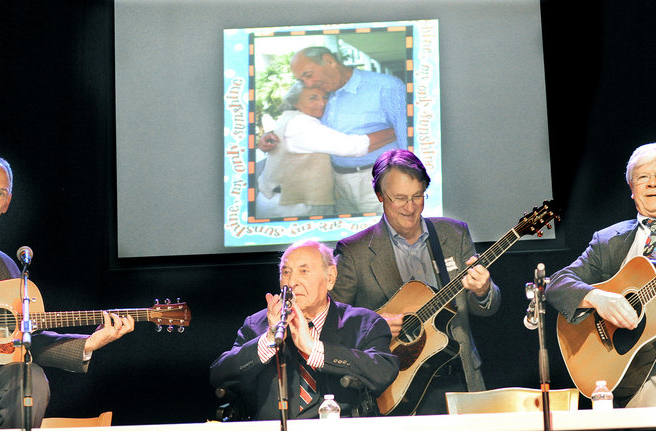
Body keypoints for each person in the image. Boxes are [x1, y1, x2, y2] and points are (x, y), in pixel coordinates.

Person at [0, 155, 134, 429]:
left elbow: (24, 339)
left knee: (28, 377)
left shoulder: (8, 268)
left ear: (7, 204)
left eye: (1, 193)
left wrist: (89, 343)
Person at [545, 142, 656, 407]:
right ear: (631, 188)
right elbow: (557, 284)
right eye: (642, 177)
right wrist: (598, 298)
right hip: (635, 384)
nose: (652, 183)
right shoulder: (608, 241)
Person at [330, 149, 501, 415]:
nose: (411, 208)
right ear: (380, 197)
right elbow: (331, 322)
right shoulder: (355, 251)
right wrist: (372, 325)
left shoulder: (454, 234)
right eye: (400, 198)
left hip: (459, 380)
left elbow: (487, 307)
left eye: (418, 196)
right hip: (394, 388)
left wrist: (483, 291)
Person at [209, 240, 400, 420]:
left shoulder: (363, 323)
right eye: (286, 272)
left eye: (304, 271)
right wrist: (268, 340)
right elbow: (219, 376)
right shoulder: (257, 325)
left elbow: (383, 372)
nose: (292, 282)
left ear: (330, 277)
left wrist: (313, 348)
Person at [261, 46, 407, 215]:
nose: (307, 83)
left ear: (329, 61)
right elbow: (304, 123)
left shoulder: (386, 87)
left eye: (308, 75)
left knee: (382, 236)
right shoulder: (321, 91)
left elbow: (408, 136)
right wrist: (273, 134)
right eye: (302, 79)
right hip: (338, 184)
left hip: (377, 180)